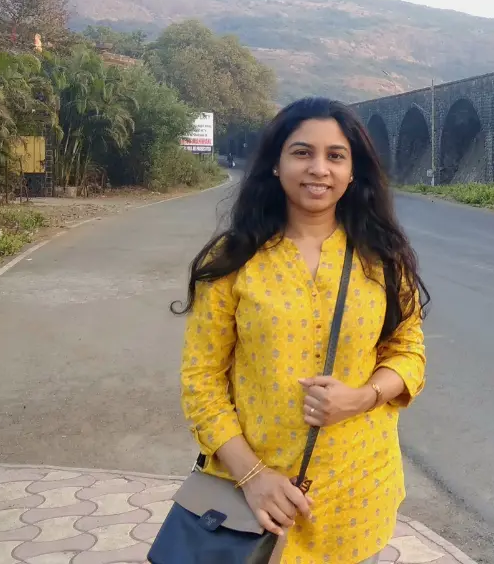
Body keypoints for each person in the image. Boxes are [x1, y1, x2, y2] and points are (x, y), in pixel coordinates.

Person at [173, 97, 429, 563]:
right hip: (254, 504)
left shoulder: (382, 258)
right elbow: (201, 381)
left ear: (353, 172)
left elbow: (408, 350)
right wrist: (252, 477)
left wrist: (362, 396)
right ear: (276, 164)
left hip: (357, 496)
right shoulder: (233, 261)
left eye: (335, 156)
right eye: (302, 152)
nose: (319, 168)